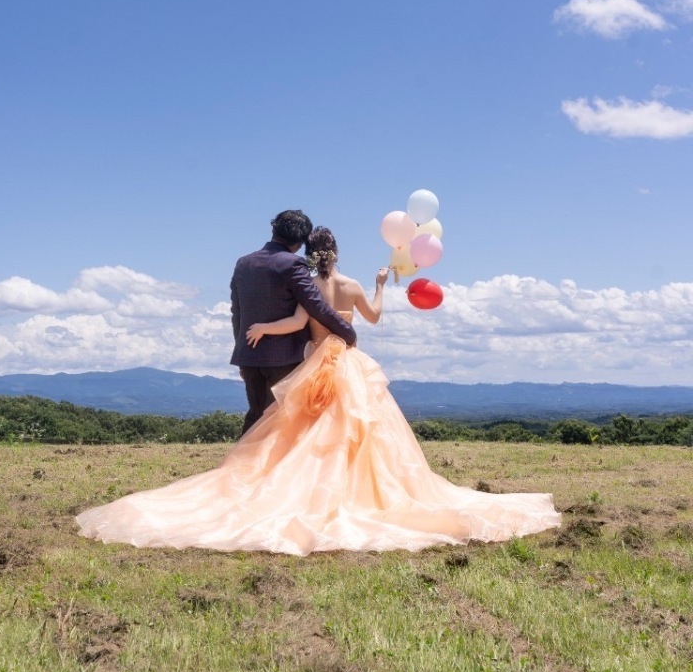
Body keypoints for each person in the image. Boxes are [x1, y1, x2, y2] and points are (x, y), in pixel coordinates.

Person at [76, 225, 561, 555]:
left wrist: (263, 327)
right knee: (359, 430)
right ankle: (358, 491)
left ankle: (304, 485)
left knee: (306, 432)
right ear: (338, 253)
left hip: (313, 363)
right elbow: (373, 318)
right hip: (346, 360)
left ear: (311, 253)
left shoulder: (305, 284)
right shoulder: (350, 286)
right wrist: (380, 285)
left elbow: (295, 322)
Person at [229, 209, 357, 433]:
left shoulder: (243, 263)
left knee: (256, 417)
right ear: (300, 242)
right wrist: (347, 332)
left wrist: (242, 349)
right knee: (279, 422)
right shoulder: (293, 265)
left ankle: (243, 455)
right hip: (284, 357)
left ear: (273, 229)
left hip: (249, 355)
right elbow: (316, 305)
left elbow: (237, 311)